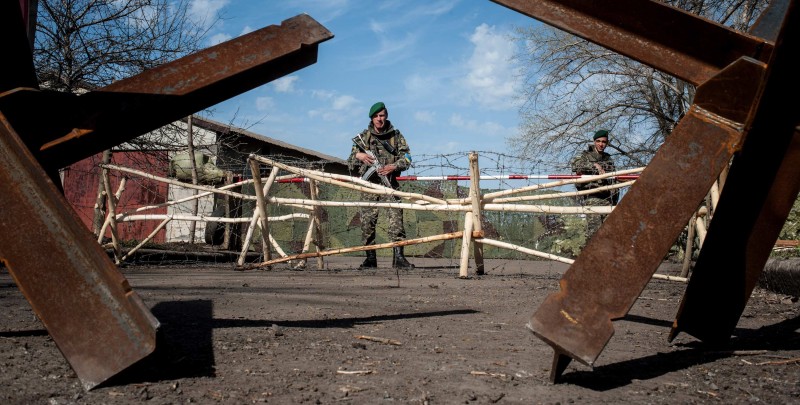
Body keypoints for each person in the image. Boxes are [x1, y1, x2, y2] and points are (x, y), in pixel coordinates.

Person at [348, 101, 414, 269]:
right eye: (376, 116)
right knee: (367, 222)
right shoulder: (363, 138)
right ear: (372, 118)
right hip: (369, 186)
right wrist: (360, 156)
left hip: (389, 184)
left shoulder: (396, 136)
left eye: (382, 115)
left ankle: (398, 257)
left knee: (396, 221)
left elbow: (407, 158)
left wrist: (394, 166)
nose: (379, 119)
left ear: (386, 116)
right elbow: (349, 161)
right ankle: (370, 258)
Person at [570, 129, 618, 243]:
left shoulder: (608, 159)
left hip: (607, 198)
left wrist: (615, 199)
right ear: (594, 141)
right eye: (598, 141)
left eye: (604, 142)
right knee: (594, 232)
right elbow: (576, 165)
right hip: (592, 197)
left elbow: (614, 179)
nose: (601, 144)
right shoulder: (585, 156)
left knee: (609, 231)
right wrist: (594, 166)